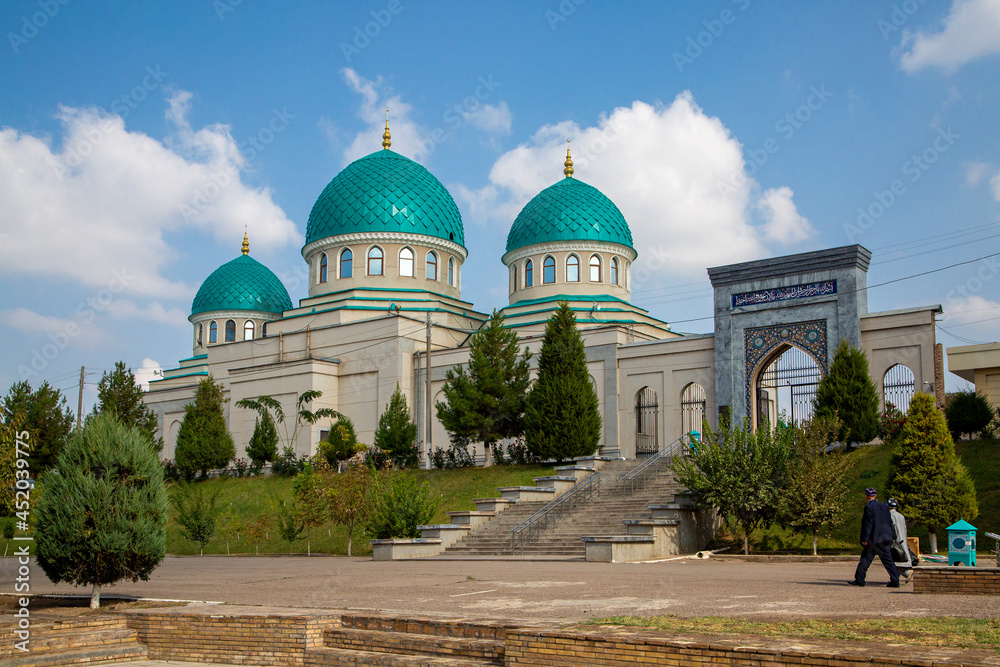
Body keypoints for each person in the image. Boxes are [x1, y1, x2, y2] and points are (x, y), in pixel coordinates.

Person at [849, 487, 900, 588]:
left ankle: (860, 580)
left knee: (865, 560)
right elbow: (890, 522)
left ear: (866, 496)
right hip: (885, 537)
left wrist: (864, 539)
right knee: (888, 561)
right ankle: (895, 580)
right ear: (875, 496)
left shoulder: (868, 507)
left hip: (874, 539)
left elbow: (867, 524)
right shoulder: (884, 506)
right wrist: (893, 535)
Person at [888, 498, 914, 583]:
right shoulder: (901, 516)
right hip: (903, 538)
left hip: (894, 540)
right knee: (900, 558)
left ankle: (905, 573)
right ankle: (895, 578)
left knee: (894, 559)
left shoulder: (889, 516)